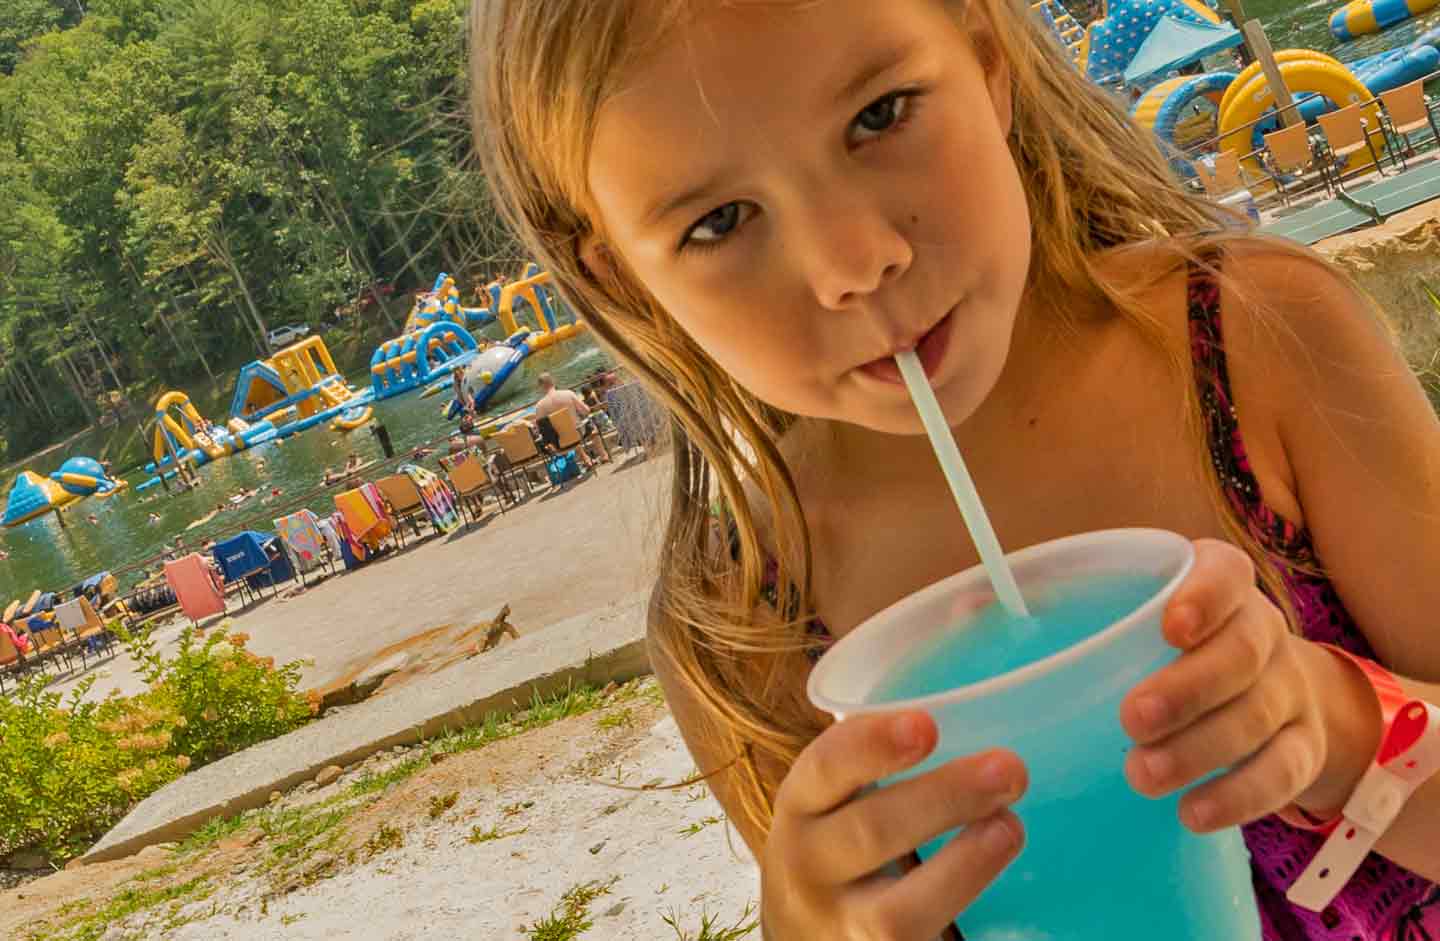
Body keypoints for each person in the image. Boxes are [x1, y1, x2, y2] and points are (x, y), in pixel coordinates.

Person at [470, 3, 1440, 939]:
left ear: (986, 58)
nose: (854, 261)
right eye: (720, 220)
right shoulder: (746, 626)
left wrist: (1341, 723)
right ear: (623, 279)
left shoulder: (1258, 342)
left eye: (878, 115)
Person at [533, 372, 600, 470]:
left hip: (559, 443)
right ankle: (604, 456)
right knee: (591, 426)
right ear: (553, 381)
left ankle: (586, 460)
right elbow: (586, 411)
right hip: (579, 434)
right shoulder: (568, 393)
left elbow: (540, 429)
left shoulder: (539, 406)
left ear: (541, 387)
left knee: (564, 431)